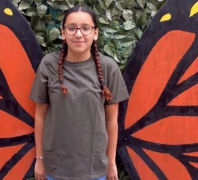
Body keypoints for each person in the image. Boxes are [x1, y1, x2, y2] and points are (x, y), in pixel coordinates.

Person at [30, 5, 129, 180]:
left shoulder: (108, 68)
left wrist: (111, 162)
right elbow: (39, 116)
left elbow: (112, 121)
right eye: (72, 28)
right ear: (63, 32)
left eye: (85, 28)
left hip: (95, 167)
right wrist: (39, 158)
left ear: (95, 33)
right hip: (56, 166)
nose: (78, 34)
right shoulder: (48, 65)